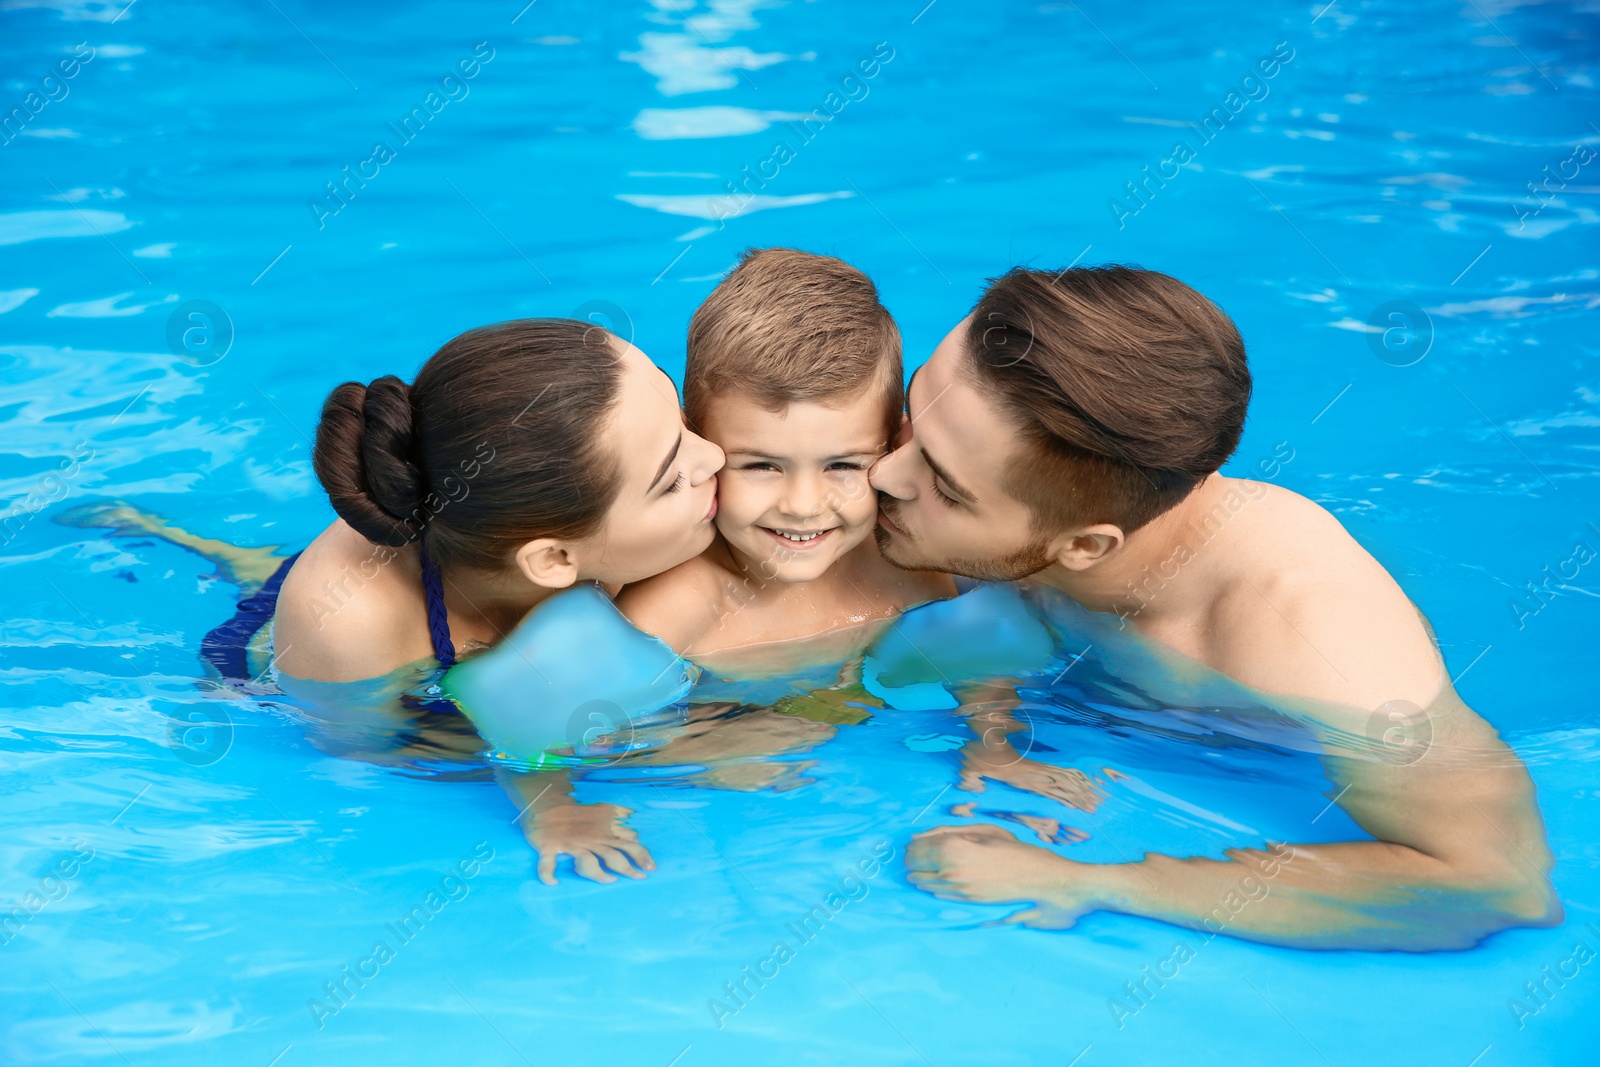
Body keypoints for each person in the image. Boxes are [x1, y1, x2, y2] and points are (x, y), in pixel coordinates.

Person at [875, 265, 1562, 950]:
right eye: (915, 404)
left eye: (944, 486)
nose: (882, 471)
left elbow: (1497, 880)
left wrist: (1091, 882)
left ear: (1085, 545)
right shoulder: (1057, 498)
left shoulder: (1316, 643)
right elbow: (999, 598)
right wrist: (996, 732)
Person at [618, 247, 954, 674]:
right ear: (695, 444)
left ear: (893, 447)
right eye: (762, 466)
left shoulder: (910, 570)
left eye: (843, 466)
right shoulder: (672, 614)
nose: (803, 505)